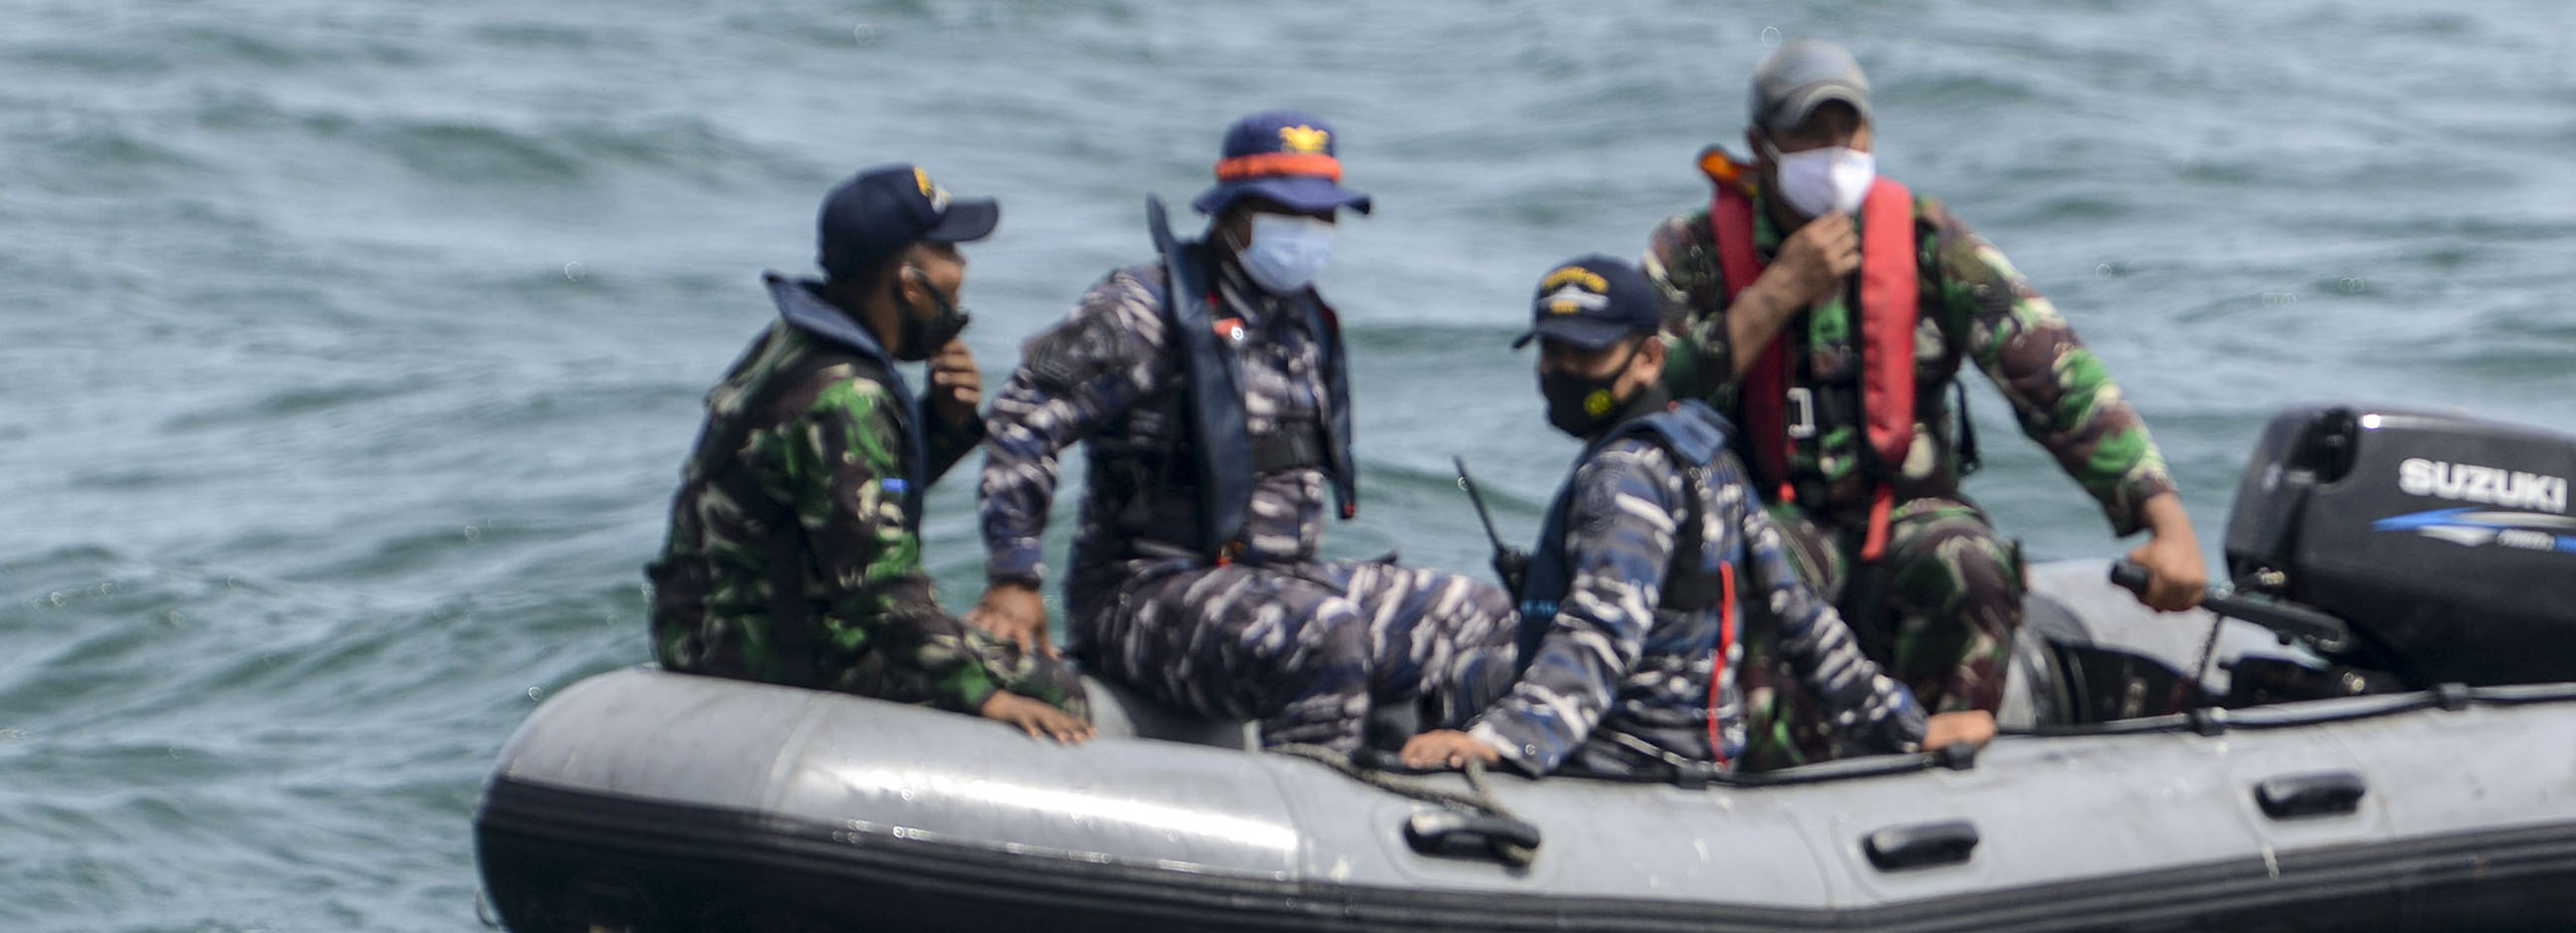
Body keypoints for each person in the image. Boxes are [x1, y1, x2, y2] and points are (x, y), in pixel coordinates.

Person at [1642, 38, 2207, 761]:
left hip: (1901, 515)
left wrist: (2163, 516)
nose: (1834, 151)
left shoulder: (1926, 241)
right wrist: (1774, 296)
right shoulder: (1693, 252)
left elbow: (2054, 373)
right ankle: (1769, 769)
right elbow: (1635, 400)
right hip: (1765, 515)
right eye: (1809, 133)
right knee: (1754, 567)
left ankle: (1945, 759)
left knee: (1968, 562)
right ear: (1762, 146)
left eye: (1849, 130)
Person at [973, 113, 1510, 750]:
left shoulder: (1302, 321)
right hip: (1145, 596)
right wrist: (1014, 575)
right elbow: (1023, 418)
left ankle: (1439, 781)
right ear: (1231, 215)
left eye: (1322, 215)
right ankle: (1312, 789)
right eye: (1285, 213)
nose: (1308, 231)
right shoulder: (1144, 310)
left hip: (1283, 579)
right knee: (1323, 632)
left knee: (1479, 615)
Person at [1397, 259, 1992, 781]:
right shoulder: (1705, 453)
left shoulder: (1624, 476)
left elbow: (1602, 631)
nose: (1564, 371)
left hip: (1622, 751)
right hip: (1706, 746)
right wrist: (1904, 724)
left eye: (1587, 354)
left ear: (1649, 359)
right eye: (1553, 352)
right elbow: (1798, 613)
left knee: (1439, 665)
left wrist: (1504, 741)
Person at [649, 166, 1090, 740]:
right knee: (1056, 690)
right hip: (758, 648)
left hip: (703, 624)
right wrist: (982, 694)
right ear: (911, 285)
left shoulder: (792, 344)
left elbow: (839, 498)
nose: (963, 268)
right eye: (948, 252)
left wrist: (942, 425)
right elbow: (876, 584)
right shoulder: (847, 397)